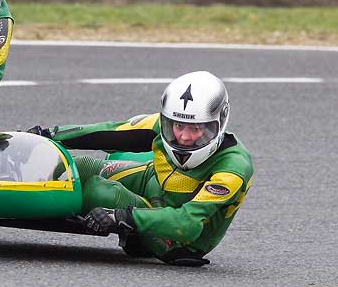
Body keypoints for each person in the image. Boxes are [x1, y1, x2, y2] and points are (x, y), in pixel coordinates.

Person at [28, 71, 254, 266]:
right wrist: (48, 136)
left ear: (220, 120)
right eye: (177, 125)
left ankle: (132, 231)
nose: (184, 137)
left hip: (175, 239)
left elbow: (188, 224)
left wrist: (123, 217)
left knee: (97, 191)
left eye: (196, 128)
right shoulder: (163, 125)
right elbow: (112, 132)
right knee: (75, 167)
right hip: (153, 181)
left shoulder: (233, 168)